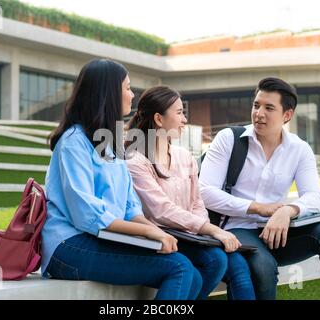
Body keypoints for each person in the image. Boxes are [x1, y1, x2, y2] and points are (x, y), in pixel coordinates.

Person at [41, 59, 203, 300]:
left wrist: (156, 231)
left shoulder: (109, 142)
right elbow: (87, 214)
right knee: (178, 268)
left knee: (194, 274)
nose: (132, 94)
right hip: (67, 247)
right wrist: (149, 234)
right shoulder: (73, 142)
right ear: (108, 93)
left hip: (100, 238)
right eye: (127, 88)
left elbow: (129, 207)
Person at [199, 77, 320, 300]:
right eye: (256, 105)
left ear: (287, 115)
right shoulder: (229, 139)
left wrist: (287, 211)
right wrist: (258, 208)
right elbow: (205, 191)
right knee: (263, 266)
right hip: (236, 228)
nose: (259, 113)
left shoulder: (299, 149)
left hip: (279, 232)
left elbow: (314, 196)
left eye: (268, 108)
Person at [125, 85, 256, 300]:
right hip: (159, 237)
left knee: (229, 263)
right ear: (159, 119)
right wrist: (212, 231)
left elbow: (197, 203)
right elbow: (161, 211)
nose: (184, 119)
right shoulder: (135, 161)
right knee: (213, 261)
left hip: (189, 236)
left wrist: (203, 233)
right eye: (179, 113)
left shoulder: (184, 156)